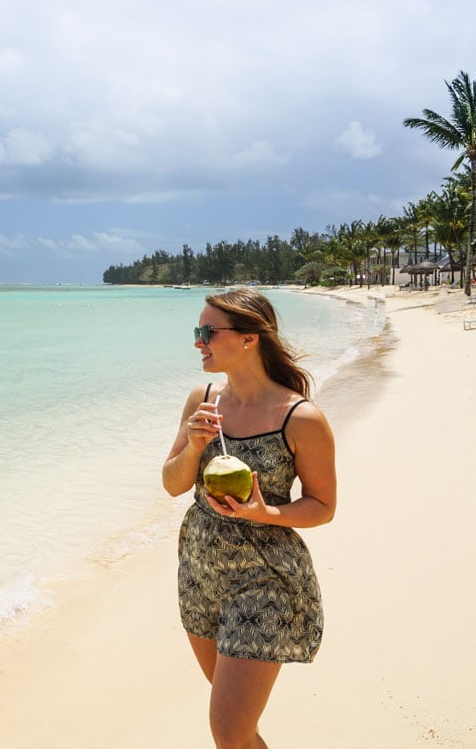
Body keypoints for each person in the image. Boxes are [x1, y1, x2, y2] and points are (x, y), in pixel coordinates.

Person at [162, 288, 337, 749]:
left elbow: (323, 505)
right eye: (197, 331)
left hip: (266, 578)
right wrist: (195, 444)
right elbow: (173, 483)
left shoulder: (301, 418)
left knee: (228, 729)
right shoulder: (202, 400)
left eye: (208, 332)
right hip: (201, 571)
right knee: (239, 730)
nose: (199, 342)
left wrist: (264, 512)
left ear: (249, 339)